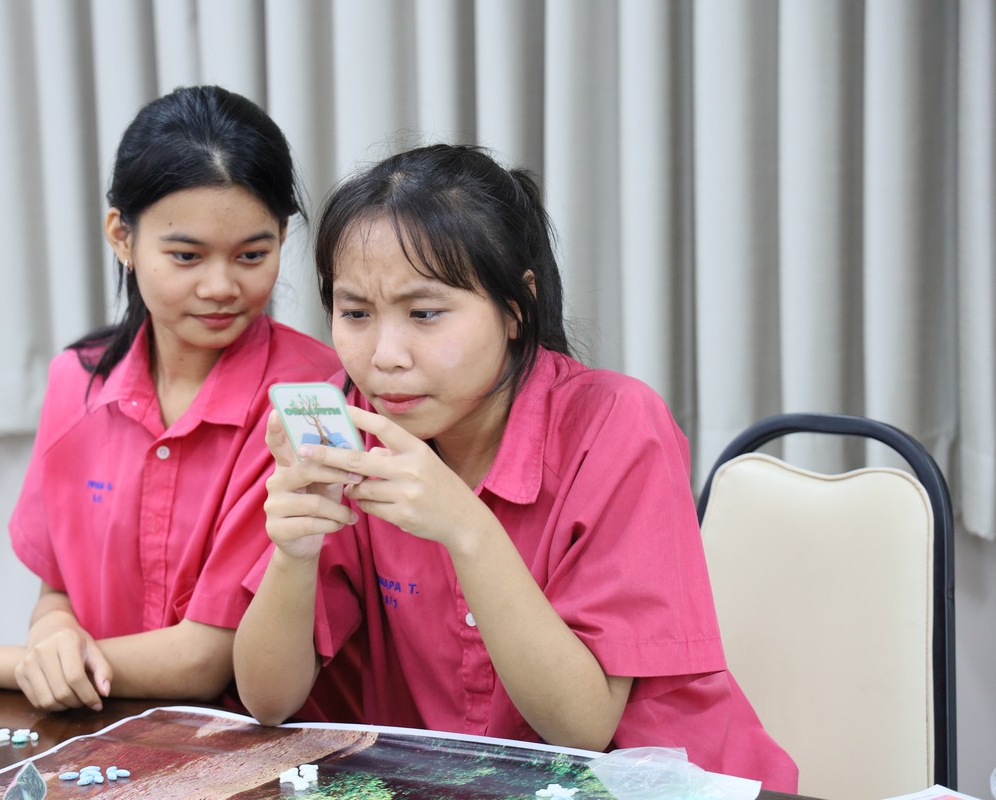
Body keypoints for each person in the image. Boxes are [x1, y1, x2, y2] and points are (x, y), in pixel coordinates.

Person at [233, 144, 798, 791]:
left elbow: (581, 726)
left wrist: (467, 530)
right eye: (356, 313)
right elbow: (267, 701)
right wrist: (295, 553)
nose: (385, 355)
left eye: (425, 313)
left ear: (515, 307)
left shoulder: (616, 423)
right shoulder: (356, 427)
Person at [0, 85, 345, 714]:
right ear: (122, 236)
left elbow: (207, 660)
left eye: (252, 255)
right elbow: (58, 589)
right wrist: (51, 635)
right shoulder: (77, 381)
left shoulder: (312, 396)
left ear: (282, 236)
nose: (221, 286)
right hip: (100, 736)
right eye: (186, 256)